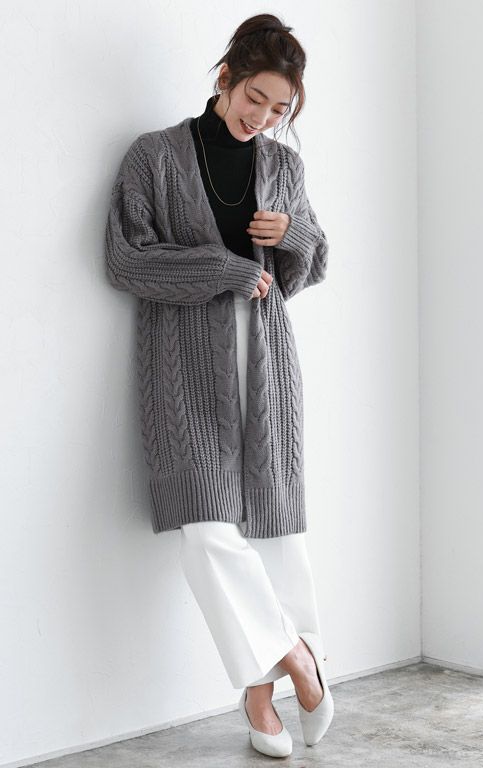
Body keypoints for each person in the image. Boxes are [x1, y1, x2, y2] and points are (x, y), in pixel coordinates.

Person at [104, 12, 332, 759]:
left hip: (267, 359)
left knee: (276, 530)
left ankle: (261, 700)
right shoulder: (154, 157)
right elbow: (127, 260)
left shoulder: (283, 166)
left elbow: (313, 261)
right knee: (207, 531)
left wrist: (291, 236)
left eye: (279, 108)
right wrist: (225, 268)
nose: (262, 117)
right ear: (225, 77)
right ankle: (299, 657)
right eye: (255, 98)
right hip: (183, 367)